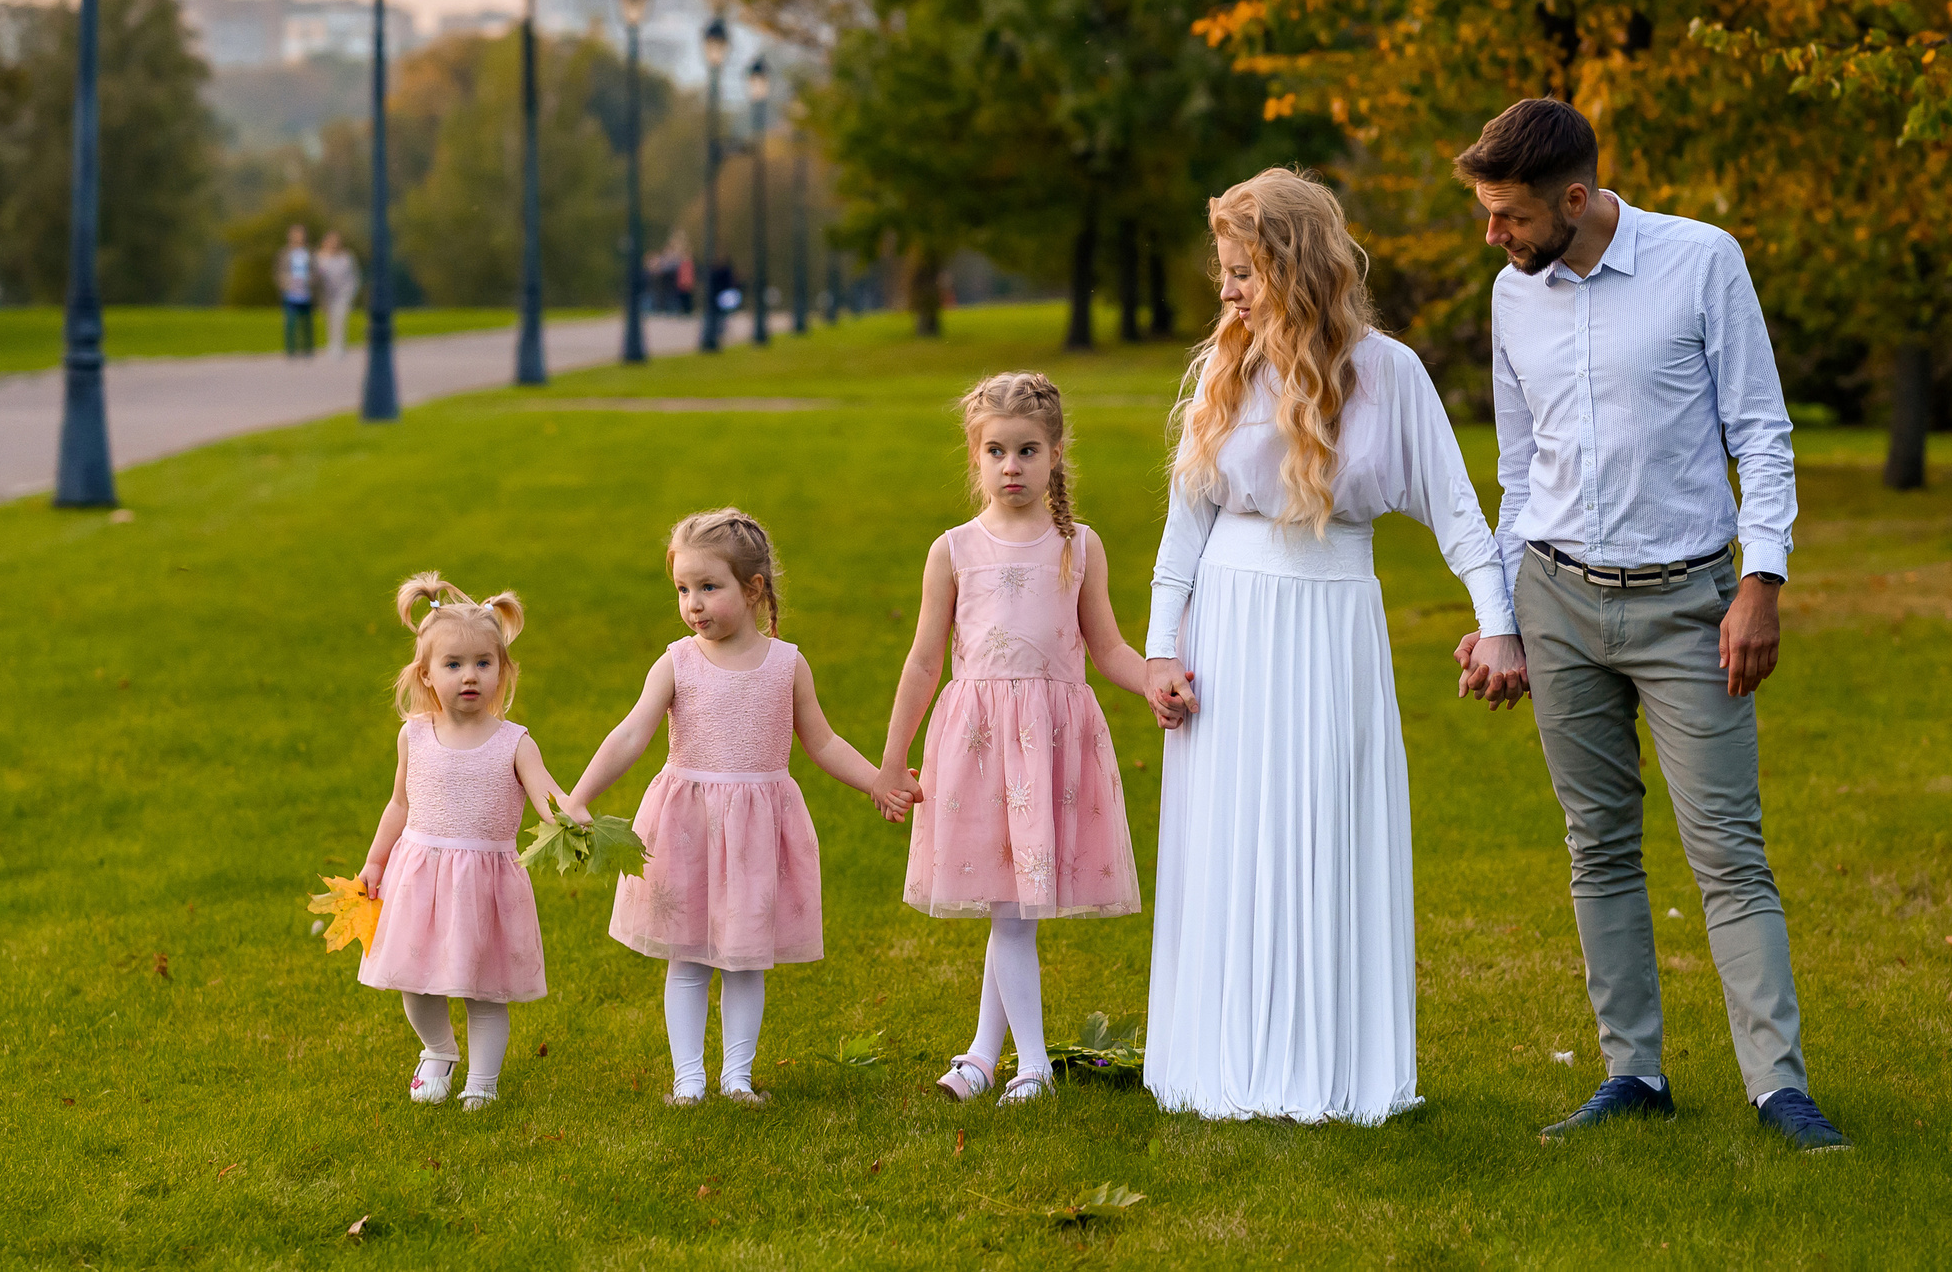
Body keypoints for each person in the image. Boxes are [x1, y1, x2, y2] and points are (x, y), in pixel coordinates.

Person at [1451, 98, 1846, 1151]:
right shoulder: (1512, 295)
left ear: (1573, 199)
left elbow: (1760, 431)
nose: (1493, 235)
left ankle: (1778, 1088)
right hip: (1557, 596)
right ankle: (1633, 1072)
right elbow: (1517, 469)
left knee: (1727, 851)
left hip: (1689, 604)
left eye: (1508, 215)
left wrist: (1760, 581)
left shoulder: (1700, 261)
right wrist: (1500, 615)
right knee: (1598, 845)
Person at [1142, 168, 1515, 1123]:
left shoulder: (1390, 373)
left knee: (1326, 826)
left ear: (1296, 266)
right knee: (1233, 837)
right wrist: (1160, 651)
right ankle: (1226, 1050)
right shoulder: (1221, 371)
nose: (1226, 292)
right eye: (1222, 270)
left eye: (1243, 271)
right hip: (1226, 628)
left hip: (1332, 622)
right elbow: (1183, 531)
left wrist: (1500, 622)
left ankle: (1328, 1058)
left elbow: (1460, 514)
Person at [871, 373, 1179, 1108]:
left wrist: (1152, 679)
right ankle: (1029, 1062)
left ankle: (985, 1054)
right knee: (1008, 908)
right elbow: (921, 659)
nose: (1012, 465)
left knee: (1011, 907)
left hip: (1048, 747)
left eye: (1028, 449)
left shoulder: (1079, 545)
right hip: (978, 747)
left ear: (1056, 453)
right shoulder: (952, 550)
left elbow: (1106, 647)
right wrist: (891, 757)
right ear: (975, 456)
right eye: (997, 450)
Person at [560, 510, 894, 1106]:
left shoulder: (786, 664)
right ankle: (688, 1080)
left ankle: (736, 1077)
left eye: (708, 588)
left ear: (753, 589)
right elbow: (631, 735)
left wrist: (877, 782)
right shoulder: (677, 662)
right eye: (683, 590)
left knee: (744, 960)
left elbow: (822, 742)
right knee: (688, 957)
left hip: (754, 832)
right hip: (685, 827)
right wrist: (578, 797)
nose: (693, 604)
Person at [355, 574, 564, 1110]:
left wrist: (570, 820)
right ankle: (439, 1050)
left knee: (484, 990)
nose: (469, 676)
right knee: (415, 983)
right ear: (426, 675)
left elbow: (547, 796)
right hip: (420, 876)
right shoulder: (414, 735)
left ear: (503, 670)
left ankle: (484, 1083)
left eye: (482, 664)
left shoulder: (515, 742)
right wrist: (375, 862)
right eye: (453, 665)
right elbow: (399, 804)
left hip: (485, 882)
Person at [316, 231, 359, 356]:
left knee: (340, 319)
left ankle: (339, 346)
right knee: (329, 320)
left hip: (343, 294)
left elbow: (353, 277)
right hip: (327, 295)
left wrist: (350, 292)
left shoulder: (346, 257)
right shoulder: (320, 257)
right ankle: (331, 344)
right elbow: (317, 276)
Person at [277, 225, 315, 356]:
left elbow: (314, 271)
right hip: (291, 292)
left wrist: (310, 280)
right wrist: (286, 283)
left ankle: (307, 349)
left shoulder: (308, 253)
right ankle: (291, 350)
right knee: (290, 322)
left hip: (306, 292)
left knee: (306, 323)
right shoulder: (285, 253)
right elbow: (279, 272)